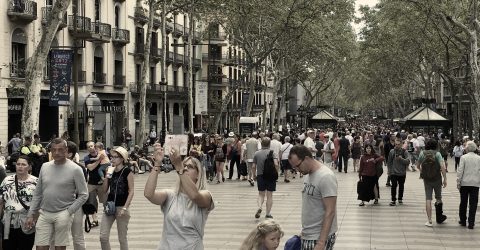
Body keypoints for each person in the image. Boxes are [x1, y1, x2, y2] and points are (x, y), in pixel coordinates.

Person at [144, 143, 214, 249]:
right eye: (184, 165)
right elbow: (149, 194)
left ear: (198, 174)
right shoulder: (171, 195)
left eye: (189, 167)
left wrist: (179, 165)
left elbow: (194, 196)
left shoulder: (206, 195)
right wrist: (157, 164)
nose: (185, 168)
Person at [25, 138, 88, 250]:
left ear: (66, 150)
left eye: (60, 149)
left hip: (63, 212)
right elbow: (38, 193)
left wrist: (69, 211)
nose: (57, 153)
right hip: (44, 212)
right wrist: (31, 214)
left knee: (59, 247)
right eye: (54, 150)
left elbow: (84, 194)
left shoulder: (75, 169)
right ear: (50, 151)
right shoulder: (45, 167)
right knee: (40, 247)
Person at [288, 145, 337, 250]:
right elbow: (310, 204)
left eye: (298, 166)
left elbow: (330, 211)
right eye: (294, 167)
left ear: (306, 158)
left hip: (318, 237)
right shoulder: (308, 174)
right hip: (308, 234)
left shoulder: (326, 176)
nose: (297, 170)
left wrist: (321, 242)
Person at [99, 146, 134, 250]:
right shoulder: (110, 170)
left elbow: (131, 190)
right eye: (111, 157)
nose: (112, 159)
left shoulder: (127, 171)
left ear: (122, 158)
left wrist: (125, 208)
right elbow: (104, 190)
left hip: (121, 207)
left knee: (122, 238)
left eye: (115, 157)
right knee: (103, 237)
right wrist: (107, 176)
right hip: (110, 206)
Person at [0, 155, 38, 249]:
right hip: (8, 223)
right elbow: (1, 201)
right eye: (18, 164)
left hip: (27, 222)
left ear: (29, 166)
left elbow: (39, 204)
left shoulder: (36, 182)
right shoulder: (7, 180)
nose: (20, 166)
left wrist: (35, 218)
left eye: (23, 164)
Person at [416, 139, 447, 227]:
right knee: (438, 198)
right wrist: (445, 178)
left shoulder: (422, 153)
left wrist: (423, 171)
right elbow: (442, 167)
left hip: (427, 180)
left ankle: (429, 221)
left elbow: (418, 165)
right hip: (437, 178)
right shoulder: (437, 154)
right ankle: (439, 217)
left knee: (428, 199)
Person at [253, 137, 279, 219]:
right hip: (270, 176)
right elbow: (276, 164)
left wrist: (254, 175)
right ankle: (268, 213)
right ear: (269, 144)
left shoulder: (256, 153)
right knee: (270, 195)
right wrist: (276, 173)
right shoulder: (273, 153)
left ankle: (260, 207)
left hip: (260, 175)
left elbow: (253, 166)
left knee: (261, 194)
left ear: (261, 144)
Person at [456, 141, 480, 229]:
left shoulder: (463, 157)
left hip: (464, 183)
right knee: (473, 204)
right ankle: (471, 222)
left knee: (463, 202)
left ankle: (463, 220)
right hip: (475, 184)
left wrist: (458, 182)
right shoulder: (478, 158)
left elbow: (460, 171)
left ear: (467, 148)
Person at [83, 141, 107, 228]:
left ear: (95, 146)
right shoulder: (86, 158)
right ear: (87, 149)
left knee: (105, 201)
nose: (90, 148)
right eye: (88, 147)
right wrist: (99, 160)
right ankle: (95, 220)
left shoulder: (102, 154)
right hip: (91, 183)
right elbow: (90, 168)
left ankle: (108, 218)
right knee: (91, 202)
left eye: (92, 146)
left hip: (102, 182)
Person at [387, 139, 410, 206]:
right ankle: (393, 200)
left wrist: (401, 159)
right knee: (393, 185)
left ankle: (400, 198)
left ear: (401, 145)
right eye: (396, 144)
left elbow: (408, 161)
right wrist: (389, 171)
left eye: (398, 144)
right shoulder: (392, 151)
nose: (397, 146)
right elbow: (389, 162)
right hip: (393, 172)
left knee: (401, 186)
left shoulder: (404, 152)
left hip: (402, 173)